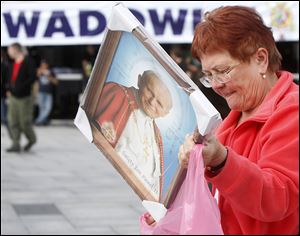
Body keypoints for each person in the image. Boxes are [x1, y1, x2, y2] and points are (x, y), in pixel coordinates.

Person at [175, 6, 298, 235]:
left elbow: (277, 198)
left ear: (260, 59)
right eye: (209, 76)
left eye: (222, 71)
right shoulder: (231, 121)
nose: (217, 84)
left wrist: (221, 160)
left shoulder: (293, 111)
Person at [94, 70, 173, 200]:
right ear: (139, 81)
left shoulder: (157, 133)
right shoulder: (117, 93)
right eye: (149, 90)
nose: (152, 102)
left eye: (160, 103)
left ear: (165, 113)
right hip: (111, 188)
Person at [6, 42, 37, 152]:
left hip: (24, 97)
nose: (8, 52)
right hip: (13, 97)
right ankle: (15, 143)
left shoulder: (28, 61)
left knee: (24, 122)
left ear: (16, 50)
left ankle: (32, 139)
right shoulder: (11, 63)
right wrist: (9, 89)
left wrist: (21, 87)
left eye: (9, 50)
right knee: (12, 121)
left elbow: (32, 77)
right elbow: (9, 78)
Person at [35, 59, 58, 125]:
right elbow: (35, 79)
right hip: (41, 92)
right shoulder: (39, 71)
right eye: (42, 65)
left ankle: (38, 120)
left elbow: (56, 82)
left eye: (45, 64)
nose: (43, 66)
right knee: (42, 108)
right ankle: (43, 121)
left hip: (49, 93)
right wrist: (39, 72)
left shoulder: (51, 72)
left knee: (48, 108)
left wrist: (49, 77)